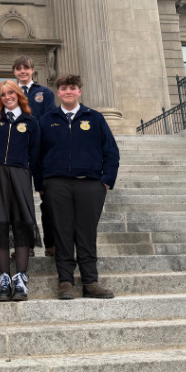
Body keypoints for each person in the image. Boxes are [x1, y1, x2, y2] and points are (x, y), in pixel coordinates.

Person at [34, 74, 120, 301]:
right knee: (62, 233)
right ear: (58, 93)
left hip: (90, 184)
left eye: (72, 88)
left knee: (86, 233)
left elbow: (111, 151)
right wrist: (40, 183)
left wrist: (106, 181)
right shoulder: (46, 120)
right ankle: (65, 282)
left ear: (79, 91)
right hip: (57, 183)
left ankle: (90, 281)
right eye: (63, 88)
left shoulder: (95, 118)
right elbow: (36, 155)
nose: (68, 91)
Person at [0, 80, 40, 302]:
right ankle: (4, 279)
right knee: (0, 224)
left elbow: (35, 155)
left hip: (20, 175)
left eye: (11, 93)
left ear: (18, 95)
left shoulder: (31, 122)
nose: (7, 97)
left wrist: (39, 184)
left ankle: (21, 279)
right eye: (3, 94)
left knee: (21, 224)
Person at [12, 55, 57, 258]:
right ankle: (25, 245)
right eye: (19, 69)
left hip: (41, 153)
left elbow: (49, 119)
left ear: (32, 70)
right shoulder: (9, 93)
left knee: (48, 199)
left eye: (26, 68)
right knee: (21, 200)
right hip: (18, 152)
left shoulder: (44, 92)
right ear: (14, 72)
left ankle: (52, 244)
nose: (22, 72)